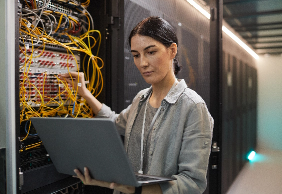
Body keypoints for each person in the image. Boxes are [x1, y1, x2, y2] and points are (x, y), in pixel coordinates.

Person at [61, 16, 213, 194]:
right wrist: (85, 94)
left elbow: (193, 183)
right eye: (136, 55)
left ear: (172, 51)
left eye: (151, 52)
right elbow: (115, 122)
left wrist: (137, 190)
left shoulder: (193, 107)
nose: (143, 63)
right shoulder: (141, 99)